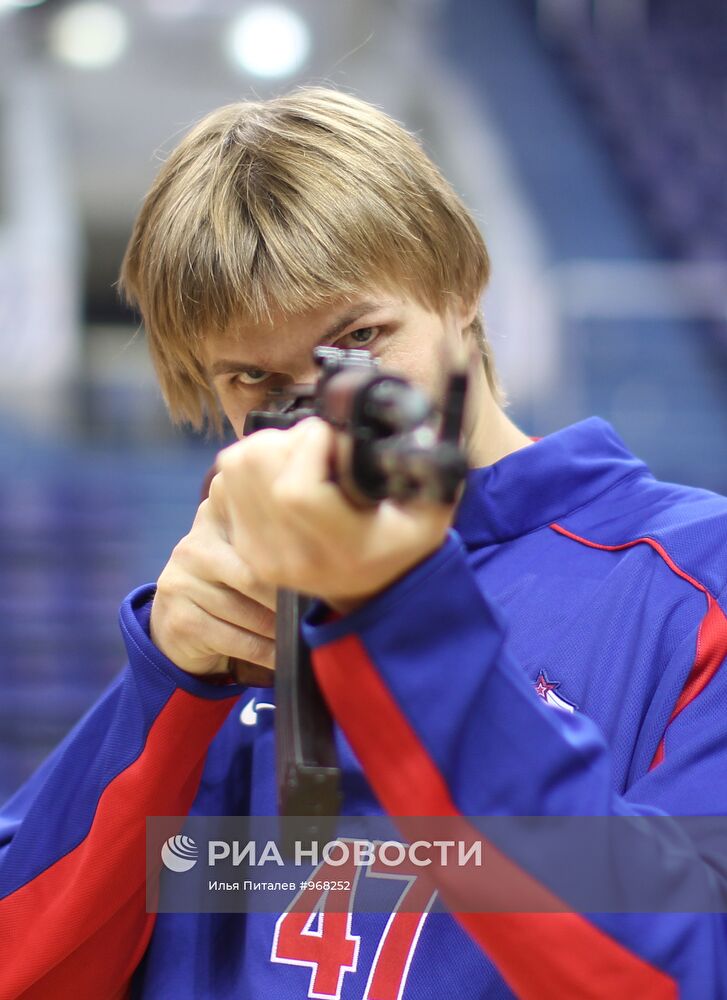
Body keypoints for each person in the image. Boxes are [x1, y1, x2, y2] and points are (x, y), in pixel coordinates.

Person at [1, 87, 727, 1000]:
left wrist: (400, 611)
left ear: (461, 286)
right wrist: (165, 689)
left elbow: (682, 972)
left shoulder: (693, 577)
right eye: (254, 378)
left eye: (358, 340)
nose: (317, 407)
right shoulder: (232, 615)